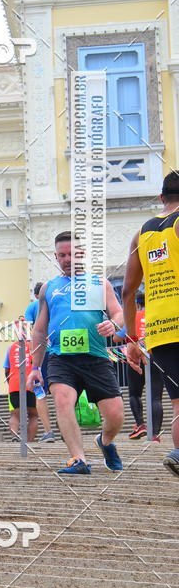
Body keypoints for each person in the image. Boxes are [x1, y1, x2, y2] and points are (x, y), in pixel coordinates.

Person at [27, 230, 125, 474]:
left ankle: (105, 442)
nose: (67, 259)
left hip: (95, 357)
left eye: (72, 254)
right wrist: (35, 368)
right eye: (62, 255)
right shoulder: (49, 288)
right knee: (63, 401)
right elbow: (39, 331)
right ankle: (78, 459)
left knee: (115, 415)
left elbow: (119, 313)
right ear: (55, 257)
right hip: (61, 358)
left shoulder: (99, 283)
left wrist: (113, 324)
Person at [122, 170, 179, 478]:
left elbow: (128, 291)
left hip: (160, 330)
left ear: (161, 198)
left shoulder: (141, 234)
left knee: (178, 403)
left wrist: (132, 340)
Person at [112, 296, 163, 442]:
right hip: (155, 356)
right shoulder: (157, 315)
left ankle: (140, 425)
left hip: (136, 355)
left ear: (137, 305)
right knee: (156, 397)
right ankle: (155, 435)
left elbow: (116, 338)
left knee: (135, 394)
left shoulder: (133, 317)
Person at [24, 282, 54, 442]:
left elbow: (29, 331)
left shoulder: (32, 307)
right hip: (58, 350)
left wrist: (32, 353)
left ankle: (48, 431)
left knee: (40, 392)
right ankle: (66, 426)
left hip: (40, 353)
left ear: (36, 295)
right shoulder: (56, 301)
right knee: (61, 389)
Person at [4, 328, 38, 442]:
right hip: (31, 384)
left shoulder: (11, 348)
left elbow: (7, 370)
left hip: (14, 384)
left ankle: (14, 437)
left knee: (14, 414)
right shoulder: (34, 347)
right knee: (33, 415)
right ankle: (29, 441)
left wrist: (11, 383)